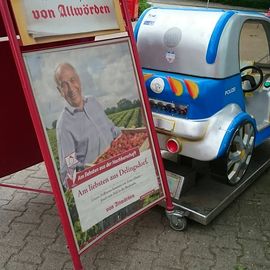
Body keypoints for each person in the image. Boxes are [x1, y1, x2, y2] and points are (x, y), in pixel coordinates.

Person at [54, 63, 120, 188]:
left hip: (119, 168)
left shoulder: (93, 102)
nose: (71, 88)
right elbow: (69, 169)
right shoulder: (64, 125)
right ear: (60, 91)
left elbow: (112, 130)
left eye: (72, 80)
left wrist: (133, 135)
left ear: (78, 79)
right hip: (100, 184)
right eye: (64, 85)